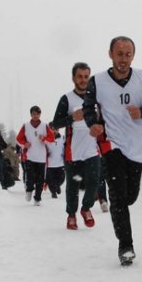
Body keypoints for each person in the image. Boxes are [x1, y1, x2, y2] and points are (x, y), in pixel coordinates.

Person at [83, 36, 142, 266]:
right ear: (110, 54)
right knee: (117, 195)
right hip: (111, 144)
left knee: (129, 197)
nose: (123, 59)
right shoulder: (97, 81)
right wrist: (93, 124)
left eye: (128, 54)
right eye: (119, 54)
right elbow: (88, 108)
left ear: (133, 56)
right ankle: (125, 245)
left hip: (136, 146)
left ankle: (121, 216)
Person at [52, 62, 102, 230]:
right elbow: (56, 123)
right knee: (72, 186)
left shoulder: (96, 99)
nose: (83, 80)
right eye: (79, 76)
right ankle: (71, 214)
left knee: (94, 181)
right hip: (72, 151)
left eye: (86, 77)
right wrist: (72, 117)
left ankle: (86, 208)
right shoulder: (66, 99)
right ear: (73, 78)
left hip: (91, 149)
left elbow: (104, 119)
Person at [16, 105, 55, 206]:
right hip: (30, 156)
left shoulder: (44, 126)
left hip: (41, 158)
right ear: (31, 114)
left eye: (37, 114)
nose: (35, 116)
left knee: (40, 180)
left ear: (40, 114)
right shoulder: (26, 125)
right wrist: (25, 144)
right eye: (33, 114)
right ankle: (29, 190)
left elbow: (52, 138)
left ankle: (37, 198)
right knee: (30, 177)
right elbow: (18, 138)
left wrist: (44, 139)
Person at [45, 127, 65, 198]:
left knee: (61, 179)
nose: (54, 131)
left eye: (56, 129)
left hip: (60, 163)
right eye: (52, 129)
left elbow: (66, 148)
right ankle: (53, 193)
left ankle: (57, 186)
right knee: (50, 181)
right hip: (50, 165)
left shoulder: (63, 138)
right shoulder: (46, 139)